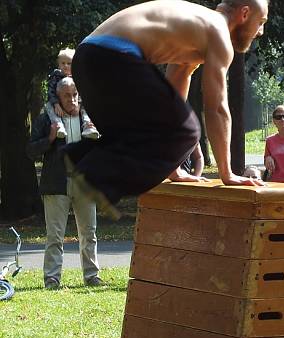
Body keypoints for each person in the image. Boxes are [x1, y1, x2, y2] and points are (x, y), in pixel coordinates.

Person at [67, 0, 267, 220]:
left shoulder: (193, 28)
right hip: (113, 56)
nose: (260, 32)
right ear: (245, 13)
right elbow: (216, 108)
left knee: (144, 131)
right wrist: (227, 173)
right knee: (190, 132)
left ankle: (78, 156)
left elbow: (173, 98)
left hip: (86, 58)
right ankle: (94, 174)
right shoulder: (218, 31)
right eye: (261, 22)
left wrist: (173, 168)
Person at [26, 77, 103, 290]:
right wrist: (50, 139)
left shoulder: (88, 119)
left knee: (89, 233)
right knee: (55, 236)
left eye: (75, 95)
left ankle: (92, 276)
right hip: (56, 184)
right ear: (57, 98)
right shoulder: (46, 120)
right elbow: (31, 151)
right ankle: (52, 278)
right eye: (67, 95)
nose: (72, 99)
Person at [46, 48, 99, 140]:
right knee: (48, 106)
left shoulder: (78, 77)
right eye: (63, 63)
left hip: (78, 103)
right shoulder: (55, 76)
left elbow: (83, 92)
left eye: (69, 63)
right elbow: (51, 91)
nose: (65, 66)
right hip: (57, 103)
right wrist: (56, 103)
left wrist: (78, 104)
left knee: (86, 107)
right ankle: (59, 125)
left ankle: (88, 126)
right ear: (58, 64)